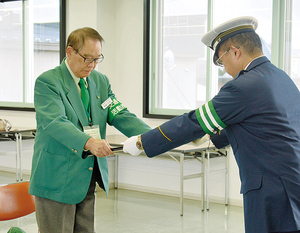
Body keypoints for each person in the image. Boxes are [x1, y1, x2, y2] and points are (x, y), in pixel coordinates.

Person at [123, 16, 300, 233]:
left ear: (235, 52)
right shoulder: (281, 78)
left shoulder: (242, 87)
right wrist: (210, 136)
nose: (224, 69)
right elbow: (260, 124)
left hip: (271, 194)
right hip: (291, 184)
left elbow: (194, 121)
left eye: (220, 60)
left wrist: (142, 142)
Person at [29, 27, 151, 233]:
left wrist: (155, 134)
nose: (92, 65)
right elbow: (55, 123)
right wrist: (90, 143)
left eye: (97, 59)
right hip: (56, 177)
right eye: (87, 58)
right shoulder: (48, 82)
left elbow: (118, 113)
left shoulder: (99, 81)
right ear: (69, 52)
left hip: (86, 174)